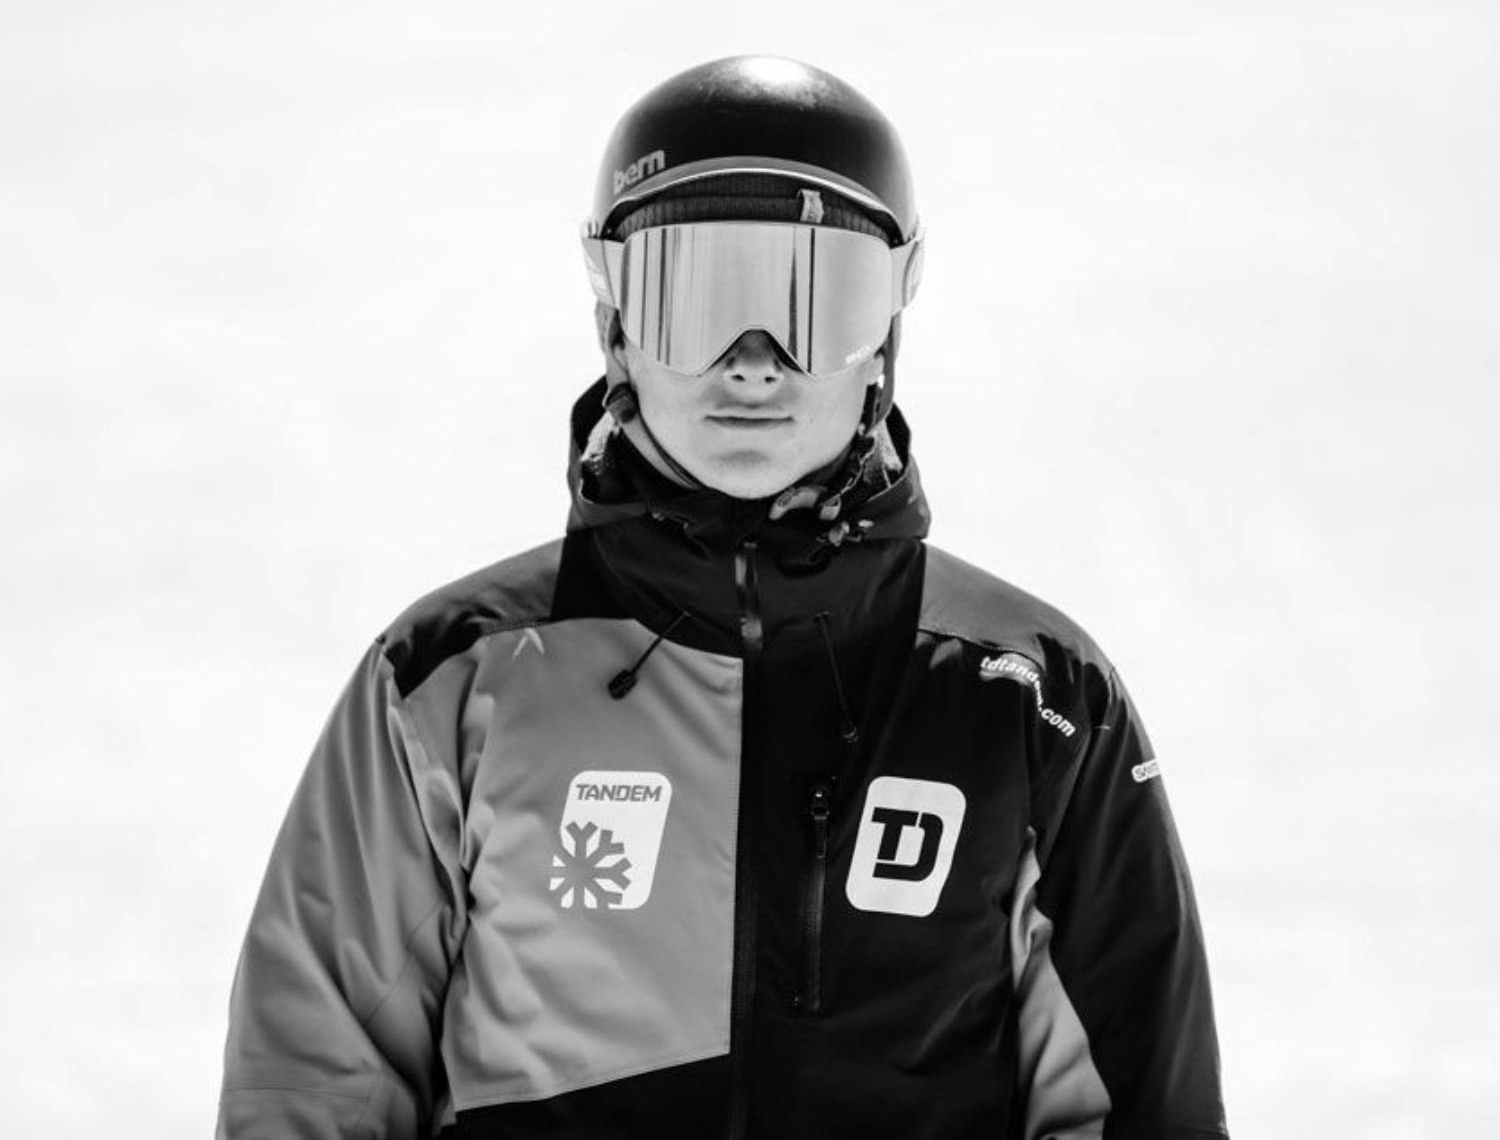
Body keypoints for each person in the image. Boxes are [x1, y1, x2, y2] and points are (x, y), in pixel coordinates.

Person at [218, 55, 1229, 1140]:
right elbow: (312, 1088)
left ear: (887, 330)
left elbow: (1145, 1110)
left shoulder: (1031, 702)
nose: (754, 363)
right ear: (614, 321)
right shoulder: (450, 685)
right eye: (692, 299)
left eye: (816, 301)